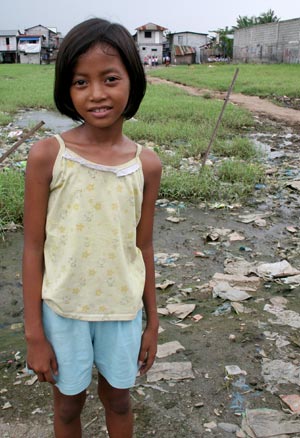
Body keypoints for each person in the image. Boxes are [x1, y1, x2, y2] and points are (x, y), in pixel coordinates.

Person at [22, 17, 162, 438]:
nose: (97, 94)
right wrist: (34, 336)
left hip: (122, 311)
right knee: (67, 407)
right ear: (66, 89)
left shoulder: (146, 164)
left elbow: (144, 247)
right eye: (81, 82)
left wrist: (152, 322)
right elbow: (32, 248)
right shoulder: (49, 156)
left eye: (110, 78)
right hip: (63, 312)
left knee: (119, 400)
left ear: (132, 82)